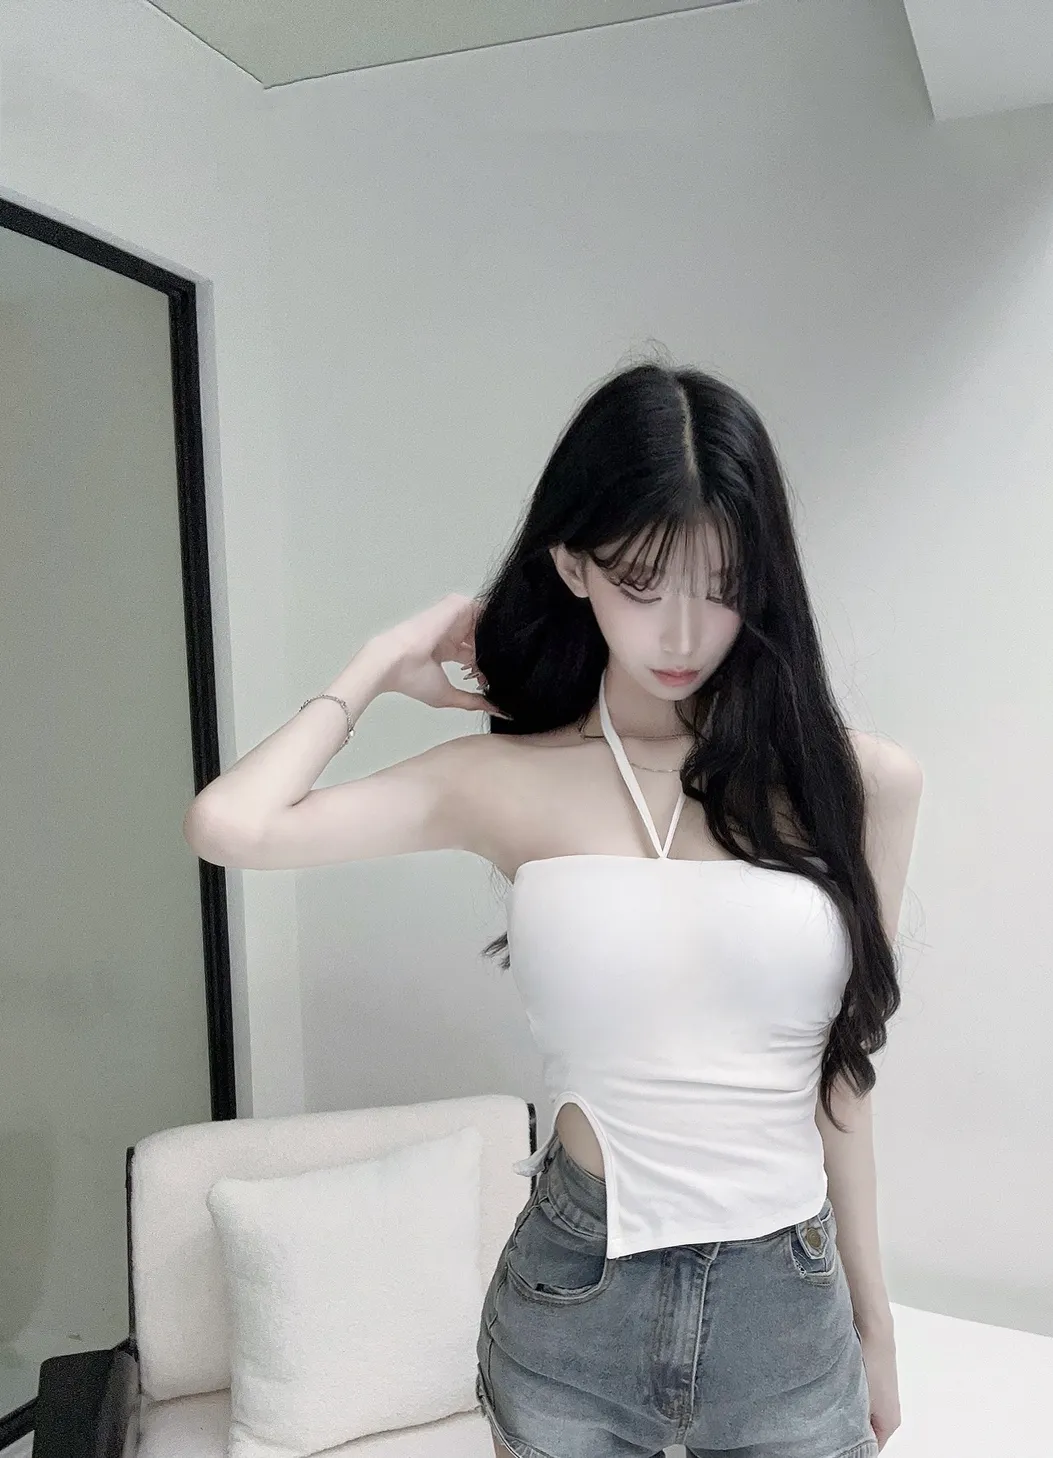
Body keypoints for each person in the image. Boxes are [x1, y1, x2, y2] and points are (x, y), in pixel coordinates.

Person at [184, 357, 914, 1458]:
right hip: (576, 1302)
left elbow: (842, 1077)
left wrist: (876, 1321)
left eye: (721, 587)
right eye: (641, 582)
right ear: (572, 565)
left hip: (786, 1310)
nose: (681, 634)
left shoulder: (854, 784)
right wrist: (377, 665)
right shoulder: (507, 782)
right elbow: (230, 825)